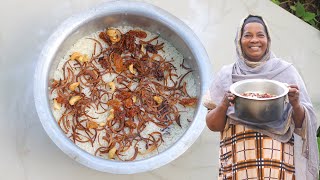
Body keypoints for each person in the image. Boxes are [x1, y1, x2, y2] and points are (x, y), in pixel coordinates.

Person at [205, 15, 319, 179]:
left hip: (278, 169)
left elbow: (303, 125)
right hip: (237, 167)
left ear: (268, 39)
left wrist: (295, 104)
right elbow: (213, 125)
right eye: (247, 35)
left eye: (260, 35)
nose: (254, 40)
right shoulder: (227, 75)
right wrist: (223, 104)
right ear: (239, 39)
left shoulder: (285, 72)